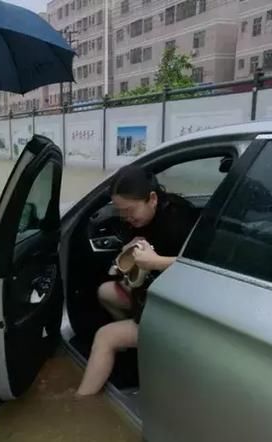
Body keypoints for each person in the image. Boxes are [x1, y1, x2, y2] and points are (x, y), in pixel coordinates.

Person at [76, 165, 197, 396]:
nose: (126, 218)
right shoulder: (141, 220)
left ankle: (81, 401)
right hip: (154, 296)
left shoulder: (181, 218)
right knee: (105, 291)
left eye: (130, 211)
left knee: (105, 336)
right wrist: (127, 255)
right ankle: (139, 350)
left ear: (152, 198)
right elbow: (133, 268)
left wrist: (155, 261)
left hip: (177, 311)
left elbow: (201, 266)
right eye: (121, 212)